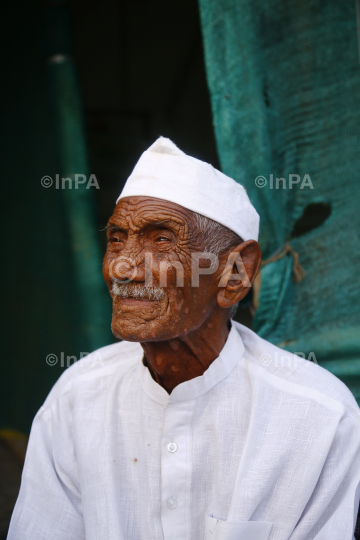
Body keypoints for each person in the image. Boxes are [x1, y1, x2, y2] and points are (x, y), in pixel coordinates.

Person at [8, 138, 360, 540]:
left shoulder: (320, 417)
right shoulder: (75, 399)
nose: (123, 267)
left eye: (161, 240)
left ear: (234, 275)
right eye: (117, 238)